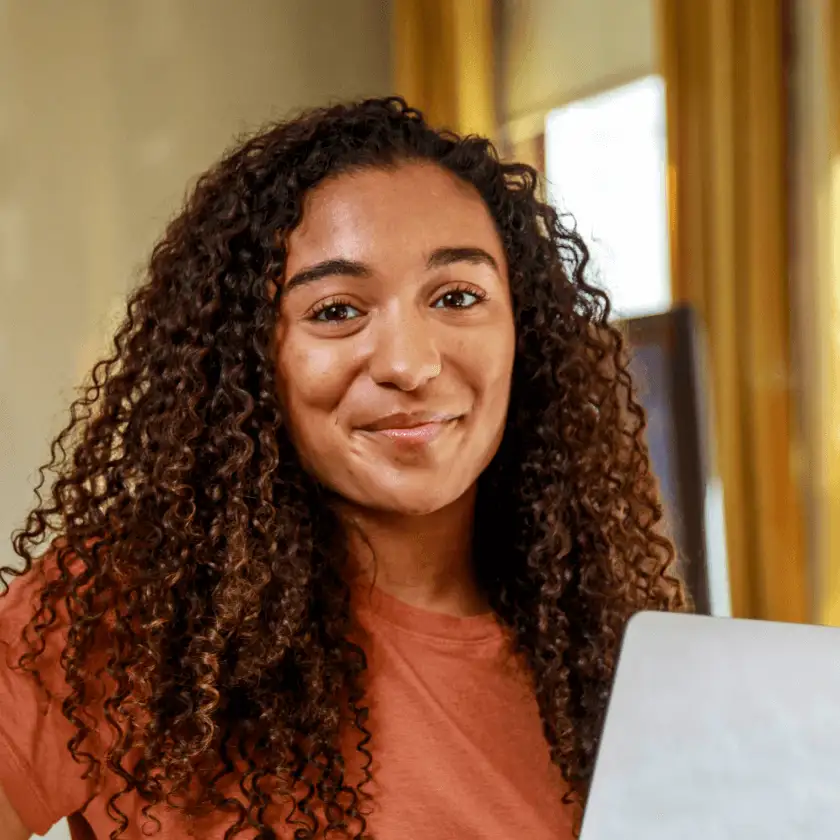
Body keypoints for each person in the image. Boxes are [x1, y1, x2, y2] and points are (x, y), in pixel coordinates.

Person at [0, 97, 685, 840]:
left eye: (457, 297)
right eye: (335, 310)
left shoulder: (604, 668)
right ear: (252, 357)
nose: (409, 364)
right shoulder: (132, 613)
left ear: (525, 331)